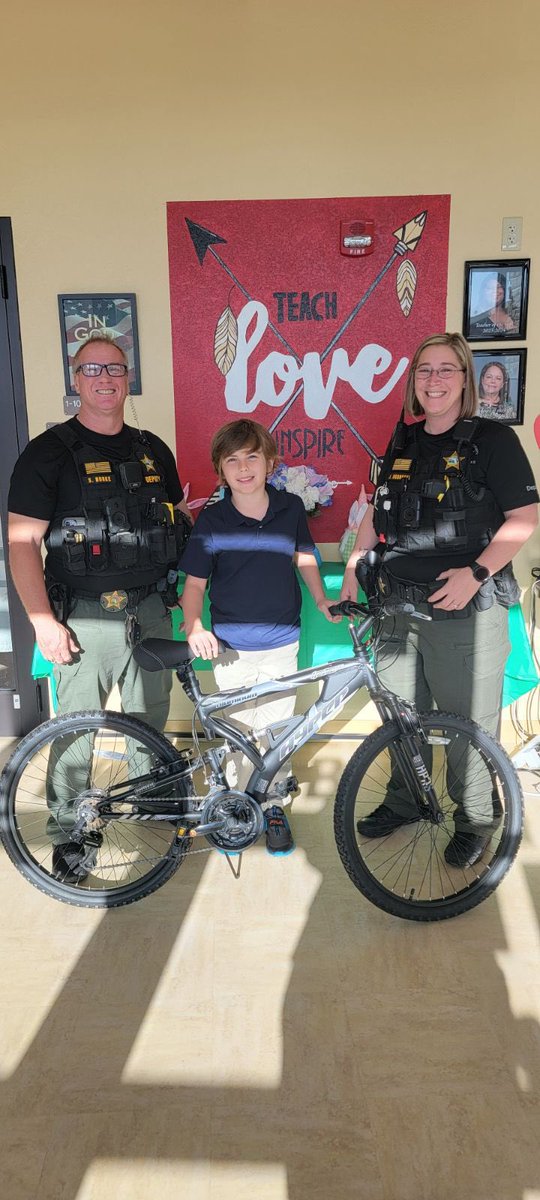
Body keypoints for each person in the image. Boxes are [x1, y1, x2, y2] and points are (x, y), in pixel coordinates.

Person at [341, 332, 538, 868]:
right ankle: (407, 800)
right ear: (413, 382)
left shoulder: (493, 441)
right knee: (401, 718)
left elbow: (525, 519)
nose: (434, 380)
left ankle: (476, 817)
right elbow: (375, 513)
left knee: (465, 726)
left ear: (466, 379)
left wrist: (475, 573)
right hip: (398, 611)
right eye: (424, 370)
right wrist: (356, 565)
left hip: (464, 614)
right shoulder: (402, 441)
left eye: (446, 370)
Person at [8, 333, 192, 877]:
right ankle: (71, 830)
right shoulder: (48, 454)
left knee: (149, 719)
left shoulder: (153, 449)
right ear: (75, 378)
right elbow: (21, 543)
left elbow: (178, 521)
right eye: (92, 369)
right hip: (84, 618)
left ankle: (150, 799)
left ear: (128, 375)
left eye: (114, 368)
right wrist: (42, 622)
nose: (105, 378)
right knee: (77, 730)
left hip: (152, 612)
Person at [179, 417, 339, 856]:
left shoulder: (289, 508)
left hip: (282, 642)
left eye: (252, 457)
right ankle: (234, 809)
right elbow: (194, 586)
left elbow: (305, 557)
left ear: (270, 463)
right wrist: (196, 626)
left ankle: (271, 806)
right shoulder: (211, 520)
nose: (244, 468)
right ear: (221, 471)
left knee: (275, 732)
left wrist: (322, 600)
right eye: (233, 461)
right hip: (230, 648)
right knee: (237, 734)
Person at [468, 272, 516, 336]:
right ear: (482, 292)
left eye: (498, 287)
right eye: (489, 288)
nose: (495, 291)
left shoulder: (513, 313)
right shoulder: (474, 318)